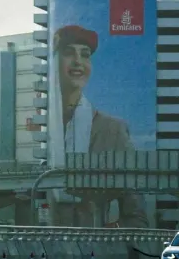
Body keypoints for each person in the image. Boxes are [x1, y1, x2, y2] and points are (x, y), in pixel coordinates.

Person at [53, 24, 148, 228]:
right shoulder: (43, 129)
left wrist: (113, 233)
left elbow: (136, 214)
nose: (78, 62)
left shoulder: (113, 130)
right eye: (68, 53)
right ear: (53, 62)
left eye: (85, 55)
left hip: (95, 242)